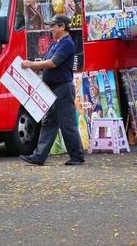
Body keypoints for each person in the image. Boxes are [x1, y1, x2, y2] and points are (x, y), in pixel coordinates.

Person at [19, 14, 85, 166]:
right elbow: (45, 64)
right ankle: (39, 156)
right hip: (52, 89)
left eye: (54, 26)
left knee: (67, 123)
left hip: (63, 88)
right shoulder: (56, 44)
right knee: (48, 123)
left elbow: (52, 63)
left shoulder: (67, 43)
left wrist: (30, 65)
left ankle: (77, 155)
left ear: (62, 26)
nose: (51, 29)